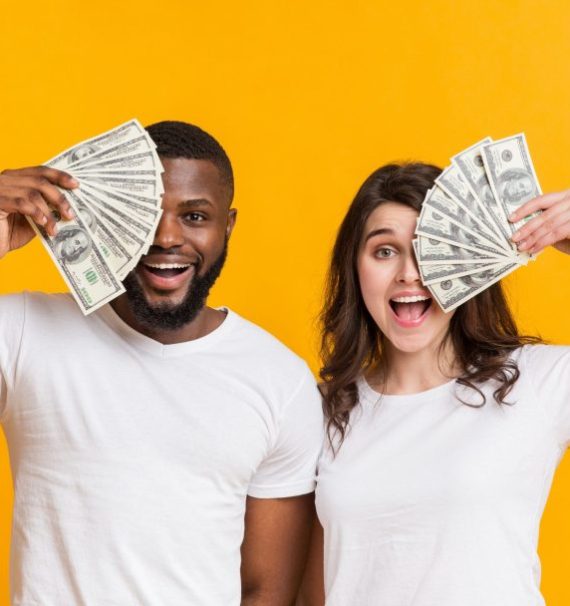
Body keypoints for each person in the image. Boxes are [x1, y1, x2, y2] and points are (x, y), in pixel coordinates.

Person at [0, 120, 324, 605]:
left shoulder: (280, 382)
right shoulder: (24, 332)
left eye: (194, 216)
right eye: (143, 213)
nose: (165, 236)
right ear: (109, 214)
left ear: (228, 225)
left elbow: (266, 590)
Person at [298, 162, 570, 605]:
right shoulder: (323, 409)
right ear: (356, 268)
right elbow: (311, 591)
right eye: (384, 251)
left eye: (430, 249)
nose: (409, 273)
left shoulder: (536, 382)